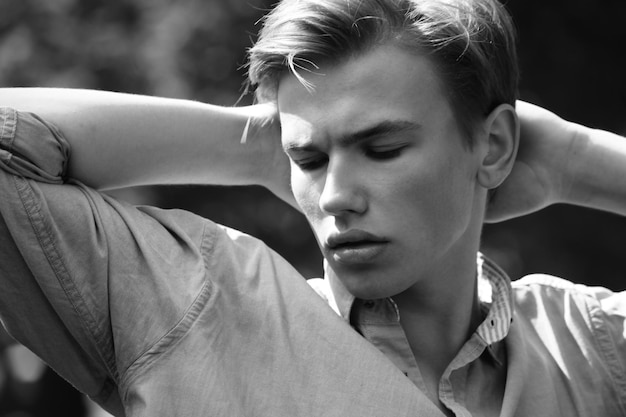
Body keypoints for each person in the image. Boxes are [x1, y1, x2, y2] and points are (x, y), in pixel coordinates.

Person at [0, 0, 624, 416]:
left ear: (492, 145)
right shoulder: (198, 312)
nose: (333, 197)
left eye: (381, 148)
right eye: (309, 161)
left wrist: (578, 159)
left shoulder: (591, 347)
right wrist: (247, 148)